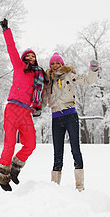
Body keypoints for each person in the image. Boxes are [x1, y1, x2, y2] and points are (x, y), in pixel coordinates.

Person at [0, 18, 45, 191]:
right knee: (9, 143)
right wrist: (6, 30)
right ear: (24, 58)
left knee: (30, 144)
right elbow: (11, 48)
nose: (31, 58)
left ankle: (15, 169)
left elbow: (42, 92)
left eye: (33, 56)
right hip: (12, 109)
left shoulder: (39, 76)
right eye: (28, 56)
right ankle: (3, 176)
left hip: (25, 111)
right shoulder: (18, 66)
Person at [42, 52, 99, 191]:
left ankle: (79, 186)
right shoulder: (48, 81)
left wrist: (93, 69)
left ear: (62, 64)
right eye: (53, 64)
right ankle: (54, 186)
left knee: (75, 149)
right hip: (56, 118)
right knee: (57, 153)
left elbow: (87, 80)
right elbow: (42, 101)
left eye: (58, 63)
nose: (55, 66)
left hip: (70, 116)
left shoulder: (69, 75)